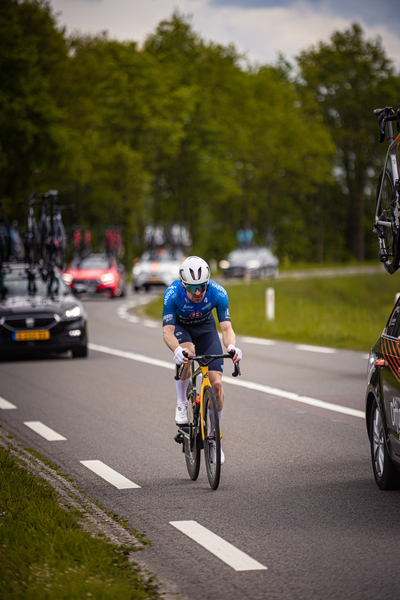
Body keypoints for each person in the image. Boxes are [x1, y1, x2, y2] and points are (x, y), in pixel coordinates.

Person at [162, 255, 242, 464]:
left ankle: (214, 440)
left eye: (201, 287)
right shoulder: (172, 294)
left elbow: (226, 328)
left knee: (216, 386)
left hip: (207, 330)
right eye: (191, 288)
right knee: (187, 355)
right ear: (183, 284)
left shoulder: (218, 292)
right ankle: (181, 402)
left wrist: (231, 346)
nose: (197, 293)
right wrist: (177, 350)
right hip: (182, 329)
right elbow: (167, 332)